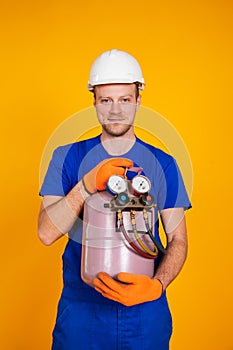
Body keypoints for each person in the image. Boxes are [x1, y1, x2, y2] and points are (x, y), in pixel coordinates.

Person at [38, 49, 191, 350]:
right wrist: (85, 186)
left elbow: (179, 240)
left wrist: (156, 286)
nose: (116, 110)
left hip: (145, 314)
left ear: (138, 100)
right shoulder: (67, 157)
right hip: (82, 313)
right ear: (94, 100)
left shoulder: (164, 164)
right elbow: (46, 233)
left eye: (124, 99)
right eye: (106, 100)